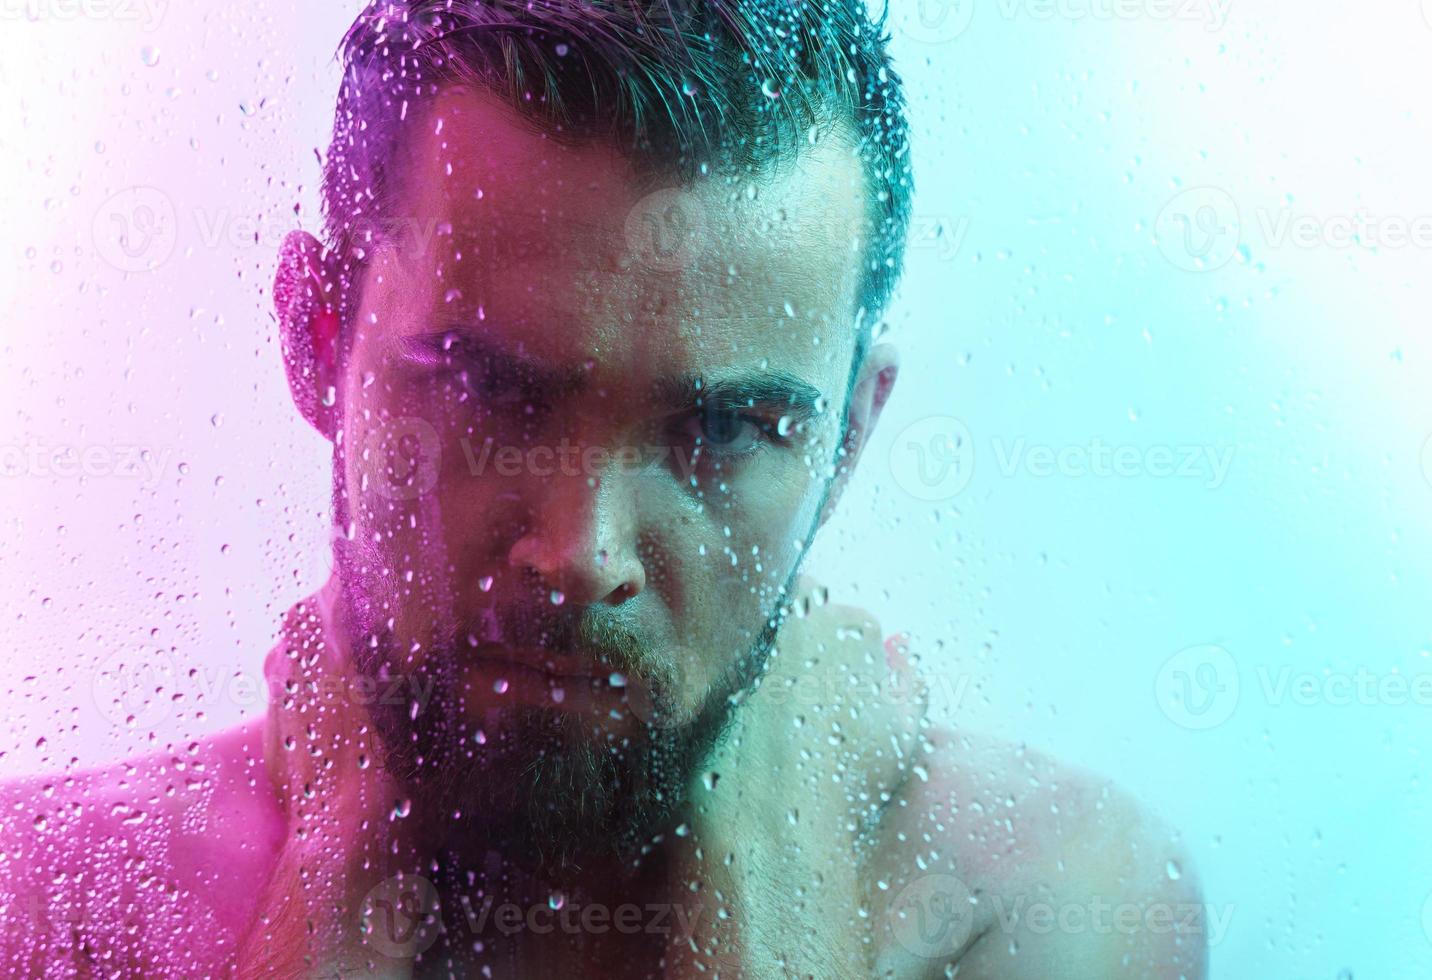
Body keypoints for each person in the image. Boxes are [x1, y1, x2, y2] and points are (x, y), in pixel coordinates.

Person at [0, 2, 1207, 976]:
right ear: (320, 338)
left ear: (846, 439)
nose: (583, 550)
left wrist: (773, 863)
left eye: (724, 428)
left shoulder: (1044, 903)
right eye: (492, 391)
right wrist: (342, 878)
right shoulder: (51, 902)